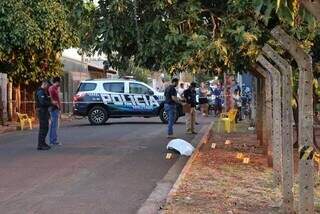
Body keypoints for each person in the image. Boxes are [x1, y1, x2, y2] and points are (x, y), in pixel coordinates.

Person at [35, 80, 51, 150]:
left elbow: (45, 100)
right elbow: (42, 102)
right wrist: (50, 103)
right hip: (42, 111)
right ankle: (40, 144)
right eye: (47, 86)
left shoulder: (43, 91)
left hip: (44, 111)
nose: (48, 87)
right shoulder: (40, 91)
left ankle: (43, 142)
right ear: (45, 84)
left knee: (46, 127)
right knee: (43, 128)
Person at [48, 77, 62, 146]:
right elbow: (53, 99)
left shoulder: (54, 88)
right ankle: (53, 140)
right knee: (54, 125)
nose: (60, 84)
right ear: (57, 82)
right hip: (54, 108)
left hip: (55, 108)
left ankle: (52, 140)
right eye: (59, 82)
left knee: (54, 125)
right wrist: (58, 106)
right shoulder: (52, 88)